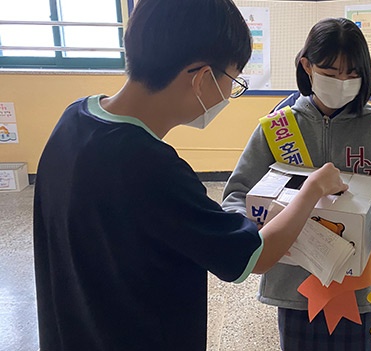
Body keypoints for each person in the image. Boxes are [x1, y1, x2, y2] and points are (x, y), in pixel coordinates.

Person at [32, 1, 348, 350]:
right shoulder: (152, 168)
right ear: (201, 78)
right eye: (232, 79)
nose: (230, 93)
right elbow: (253, 256)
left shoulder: (74, 118)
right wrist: (313, 186)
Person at [222, 17, 371, 351]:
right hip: (295, 287)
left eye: (352, 74)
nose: (342, 81)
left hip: (357, 288)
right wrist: (250, 234)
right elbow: (237, 196)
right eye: (331, 72)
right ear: (306, 66)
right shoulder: (277, 128)